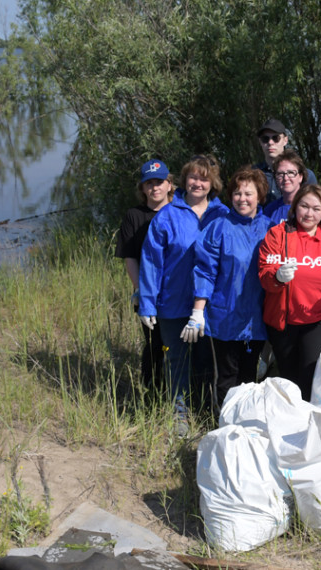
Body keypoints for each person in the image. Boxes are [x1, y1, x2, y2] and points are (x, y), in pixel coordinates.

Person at [138, 155, 229, 431]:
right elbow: (151, 261)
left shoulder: (223, 214)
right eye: (193, 177)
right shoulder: (167, 215)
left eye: (204, 178)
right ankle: (179, 415)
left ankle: (204, 411)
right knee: (176, 358)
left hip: (211, 306)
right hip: (173, 303)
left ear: (212, 183)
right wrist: (147, 304)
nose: (197, 183)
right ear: (183, 181)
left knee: (206, 360)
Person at [258, 184, 321, 400]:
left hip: (318, 321)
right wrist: (277, 277)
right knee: (288, 377)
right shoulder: (278, 235)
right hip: (283, 320)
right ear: (295, 207)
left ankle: (310, 422)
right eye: (304, 206)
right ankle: (289, 423)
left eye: (316, 208)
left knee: (313, 375)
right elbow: (264, 272)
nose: (309, 213)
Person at [187, 166, 272, 409]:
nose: (242, 199)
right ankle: (223, 427)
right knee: (226, 377)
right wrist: (197, 311)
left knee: (249, 377)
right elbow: (205, 270)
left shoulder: (271, 229)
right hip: (225, 317)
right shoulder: (218, 227)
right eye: (237, 193)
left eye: (248, 194)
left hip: (257, 319)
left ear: (259, 196)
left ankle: (245, 429)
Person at [115, 159, 173, 395]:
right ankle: (153, 394)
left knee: (179, 347)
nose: (154, 188)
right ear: (142, 188)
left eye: (159, 182)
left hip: (177, 293)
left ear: (170, 184)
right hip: (149, 294)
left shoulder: (181, 211)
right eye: (149, 183)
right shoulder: (134, 216)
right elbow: (130, 256)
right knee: (153, 346)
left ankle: (180, 393)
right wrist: (141, 292)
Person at [253, 118, 318, 204]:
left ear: (285, 140)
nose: (270, 142)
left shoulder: (306, 176)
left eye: (276, 138)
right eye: (265, 139)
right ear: (260, 142)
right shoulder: (252, 174)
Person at [263, 150, 307, 225]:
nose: (286, 178)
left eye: (291, 173)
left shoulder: (311, 207)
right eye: (280, 174)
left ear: (300, 177)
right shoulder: (269, 210)